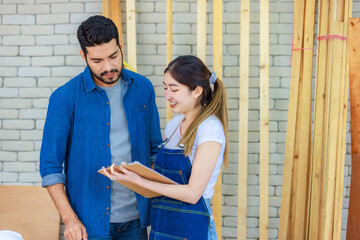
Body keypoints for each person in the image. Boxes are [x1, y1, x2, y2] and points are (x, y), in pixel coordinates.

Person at [39, 15, 162, 240]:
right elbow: (50, 168)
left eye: (113, 56)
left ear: (120, 47)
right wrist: (70, 219)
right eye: (97, 60)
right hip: (88, 223)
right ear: (83, 56)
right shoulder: (64, 98)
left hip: (137, 219)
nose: (108, 67)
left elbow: (154, 150)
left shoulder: (143, 88)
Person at [103, 55, 229, 240]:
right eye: (165, 87)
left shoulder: (209, 128)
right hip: (163, 225)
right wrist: (129, 175)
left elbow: (193, 194)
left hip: (192, 227)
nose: (167, 95)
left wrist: (140, 181)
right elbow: (166, 182)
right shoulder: (173, 126)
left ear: (197, 91)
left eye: (174, 89)